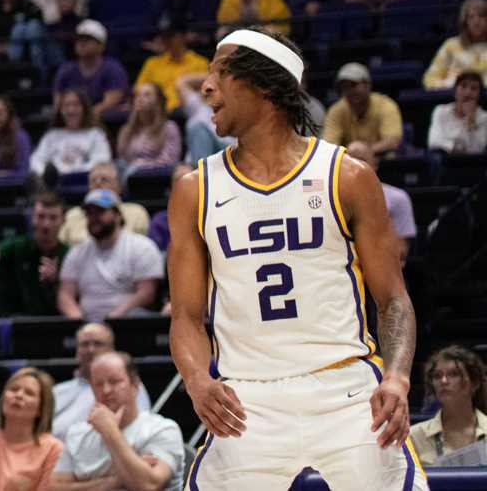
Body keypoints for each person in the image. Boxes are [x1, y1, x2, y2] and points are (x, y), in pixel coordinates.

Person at [170, 27, 422, 491]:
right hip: (245, 399)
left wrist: (398, 377)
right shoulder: (195, 189)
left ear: (263, 85)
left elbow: (394, 301)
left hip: (346, 392)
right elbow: (186, 315)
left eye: (219, 73)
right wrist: (196, 380)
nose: (205, 87)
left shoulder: (347, 176)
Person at [49, 353, 181, 491]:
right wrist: (114, 482)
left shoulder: (163, 429)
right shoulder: (76, 433)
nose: (106, 390)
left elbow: (149, 485)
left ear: (135, 385)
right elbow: (55, 488)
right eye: (98, 384)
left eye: (114, 381)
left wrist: (110, 431)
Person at [57, 188, 161, 321]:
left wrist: (113, 318)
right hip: (87, 321)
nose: (94, 218)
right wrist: (79, 321)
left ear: (117, 214)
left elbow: (146, 294)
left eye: (100, 212)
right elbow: (65, 295)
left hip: (128, 321)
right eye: (89, 213)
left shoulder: (142, 247)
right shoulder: (77, 252)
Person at [50, 324, 149, 440]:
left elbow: (139, 431)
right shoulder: (57, 391)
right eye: (85, 344)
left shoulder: (128, 386)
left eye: (98, 344)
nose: (91, 350)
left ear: (112, 349)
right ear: (77, 350)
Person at [0, 192, 68, 316]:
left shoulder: (70, 255)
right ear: (32, 218)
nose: (46, 224)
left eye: (53, 218)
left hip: (56, 325)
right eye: (41, 216)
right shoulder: (17, 245)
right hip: (17, 324)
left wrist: (57, 281)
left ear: (63, 221)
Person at [412, 347, 487, 466]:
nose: (444, 381)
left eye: (454, 374)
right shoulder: (414, 437)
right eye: (437, 376)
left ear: (475, 383)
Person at [323, 61, 405, 163]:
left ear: (367, 85)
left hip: (381, 161)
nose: (349, 91)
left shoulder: (386, 105)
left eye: (353, 85)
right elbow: (329, 145)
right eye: (344, 87)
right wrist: (353, 154)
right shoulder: (336, 110)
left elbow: (392, 141)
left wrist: (363, 152)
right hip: (348, 162)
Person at [59, 164, 151, 244]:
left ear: (119, 187)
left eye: (104, 180)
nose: (98, 183)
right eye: (93, 181)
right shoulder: (73, 214)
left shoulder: (137, 213)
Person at [54, 23, 128, 117]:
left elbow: (110, 102)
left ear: (101, 46)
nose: (81, 43)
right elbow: (58, 102)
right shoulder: (66, 69)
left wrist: (83, 116)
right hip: (71, 121)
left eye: (87, 40)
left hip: (105, 123)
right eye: (79, 39)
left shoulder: (113, 68)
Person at [31, 90, 111, 178]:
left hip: (85, 181)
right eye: (66, 105)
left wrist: (74, 172)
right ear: (60, 110)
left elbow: (102, 160)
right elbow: (36, 160)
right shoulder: (51, 135)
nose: (71, 110)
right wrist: (48, 174)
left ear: (84, 108)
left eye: (76, 105)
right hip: (55, 184)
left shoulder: (96, 134)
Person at [134, 26, 208, 113]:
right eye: (164, 36)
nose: (166, 40)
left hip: (185, 114)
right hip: (156, 115)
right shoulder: (152, 63)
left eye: (171, 36)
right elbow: (138, 90)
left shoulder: (201, 63)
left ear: (183, 37)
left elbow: (206, 94)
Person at [112, 85, 181, 171]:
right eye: (137, 95)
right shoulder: (126, 130)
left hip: (156, 178)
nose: (140, 99)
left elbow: (169, 161)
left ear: (158, 101)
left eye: (147, 95)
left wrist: (140, 166)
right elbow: (122, 160)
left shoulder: (169, 127)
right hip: (129, 176)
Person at [424, 0, 487, 89]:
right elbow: (429, 80)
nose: (476, 22)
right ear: (464, 22)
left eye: (481, 16)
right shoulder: (451, 45)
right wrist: (453, 86)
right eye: (471, 17)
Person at [428, 71, 487, 154]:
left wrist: (471, 120)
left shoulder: (484, 117)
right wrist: (458, 148)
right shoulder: (440, 111)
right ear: (455, 91)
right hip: (445, 160)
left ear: (479, 95)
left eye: (473, 88)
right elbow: (433, 141)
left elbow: (476, 151)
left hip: (472, 164)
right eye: (463, 86)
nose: (468, 92)